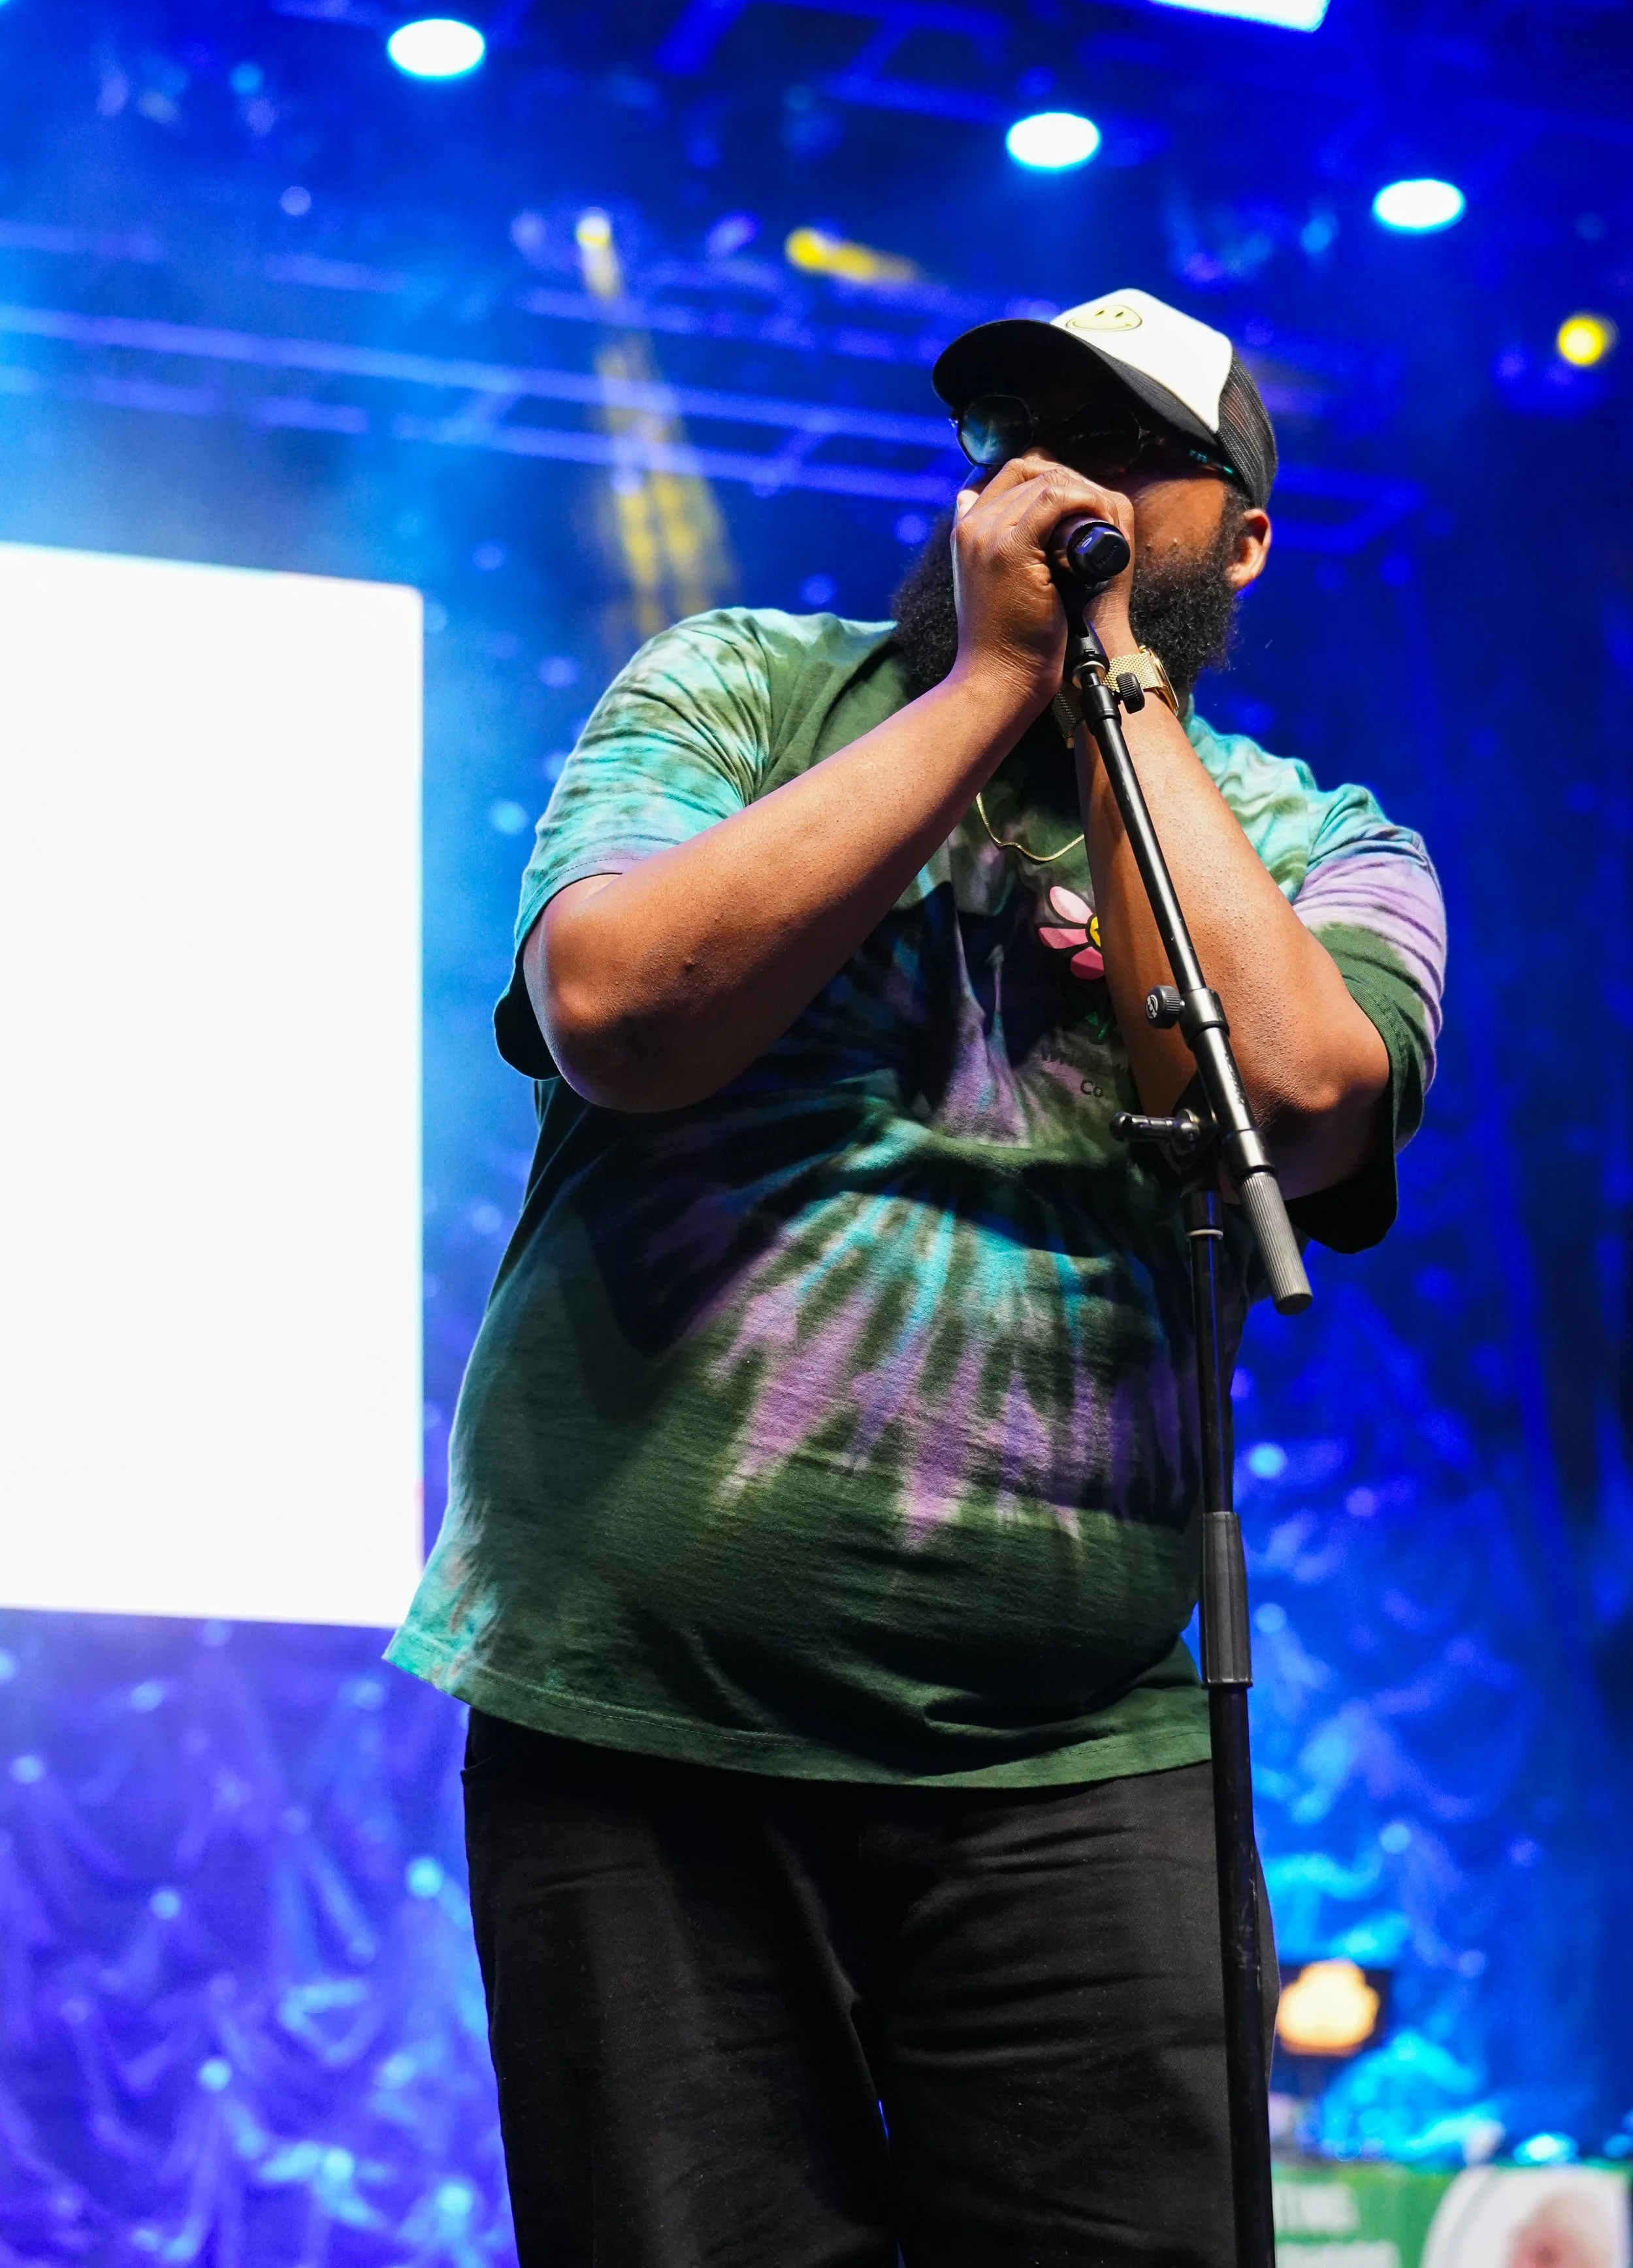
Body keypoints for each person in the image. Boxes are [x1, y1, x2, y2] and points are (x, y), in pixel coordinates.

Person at [389, 287, 1446, 2267]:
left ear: (1240, 538)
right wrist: (980, 695)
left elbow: (1299, 1098)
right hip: (645, 1727)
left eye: (1128, 452)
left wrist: (1106, 690)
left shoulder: (1323, 836)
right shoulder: (735, 690)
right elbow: (613, 1003)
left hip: (1081, 1753)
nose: (1055, 478)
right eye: (1016, 431)